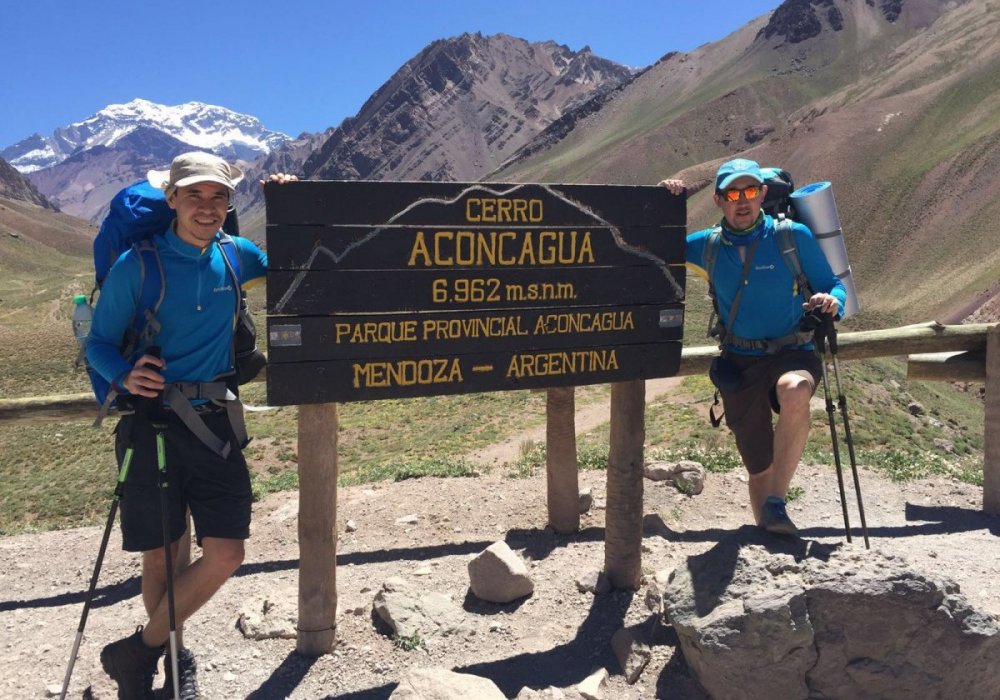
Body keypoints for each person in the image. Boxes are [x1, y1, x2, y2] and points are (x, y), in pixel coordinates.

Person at [87, 152, 292, 699]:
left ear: (229, 204)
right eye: (195, 196)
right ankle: (170, 661)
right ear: (172, 198)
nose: (207, 207)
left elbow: (299, 261)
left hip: (214, 424)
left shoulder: (236, 255)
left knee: (227, 552)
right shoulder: (138, 264)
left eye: (218, 197)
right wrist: (126, 375)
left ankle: (137, 651)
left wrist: (288, 200)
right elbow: (99, 342)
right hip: (151, 424)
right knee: (162, 550)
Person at [660, 158, 846, 535]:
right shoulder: (705, 247)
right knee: (758, 466)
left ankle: (777, 505)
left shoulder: (792, 237)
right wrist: (666, 201)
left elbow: (834, 283)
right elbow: (654, 248)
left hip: (792, 350)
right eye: (732, 193)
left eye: (749, 191)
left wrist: (833, 300)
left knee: (795, 391)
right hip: (740, 362)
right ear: (718, 200)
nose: (741, 201)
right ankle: (769, 528)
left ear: (762, 194)